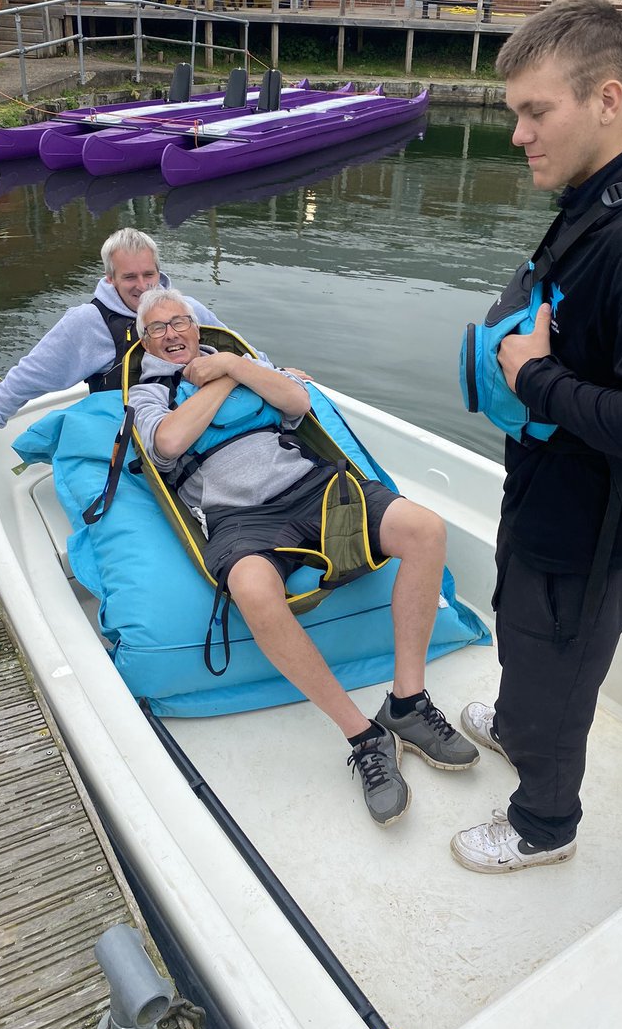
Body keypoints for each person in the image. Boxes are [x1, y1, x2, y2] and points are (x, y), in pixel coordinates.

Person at [451, 0, 622, 873]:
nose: (520, 134)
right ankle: (521, 718)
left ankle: (543, 825)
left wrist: (534, 377)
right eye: (515, 115)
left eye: (537, 112)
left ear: (608, 100)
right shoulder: (592, 198)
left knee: (559, 665)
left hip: (597, 530)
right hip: (550, 493)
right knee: (526, 634)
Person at [129, 286, 479, 827]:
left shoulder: (243, 361)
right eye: (158, 327)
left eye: (181, 322)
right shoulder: (147, 393)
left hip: (310, 486)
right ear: (144, 339)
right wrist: (226, 379)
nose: (173, 333)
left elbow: (297, 402)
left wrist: (230, 366)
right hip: (237, 519)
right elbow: (170, 443)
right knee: (251, 589)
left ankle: (407, 703)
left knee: (426, 530)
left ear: (198, 328)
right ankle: (363, 736)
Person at [0, 228, 224, 455]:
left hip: (198, 427)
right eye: (129, 277)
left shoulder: (188, 309)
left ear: (158, 272)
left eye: (149, 274)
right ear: (110, 278)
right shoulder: (88, 322)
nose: (143, 285)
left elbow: (241, 353)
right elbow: (30, 374)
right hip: (131, 438)